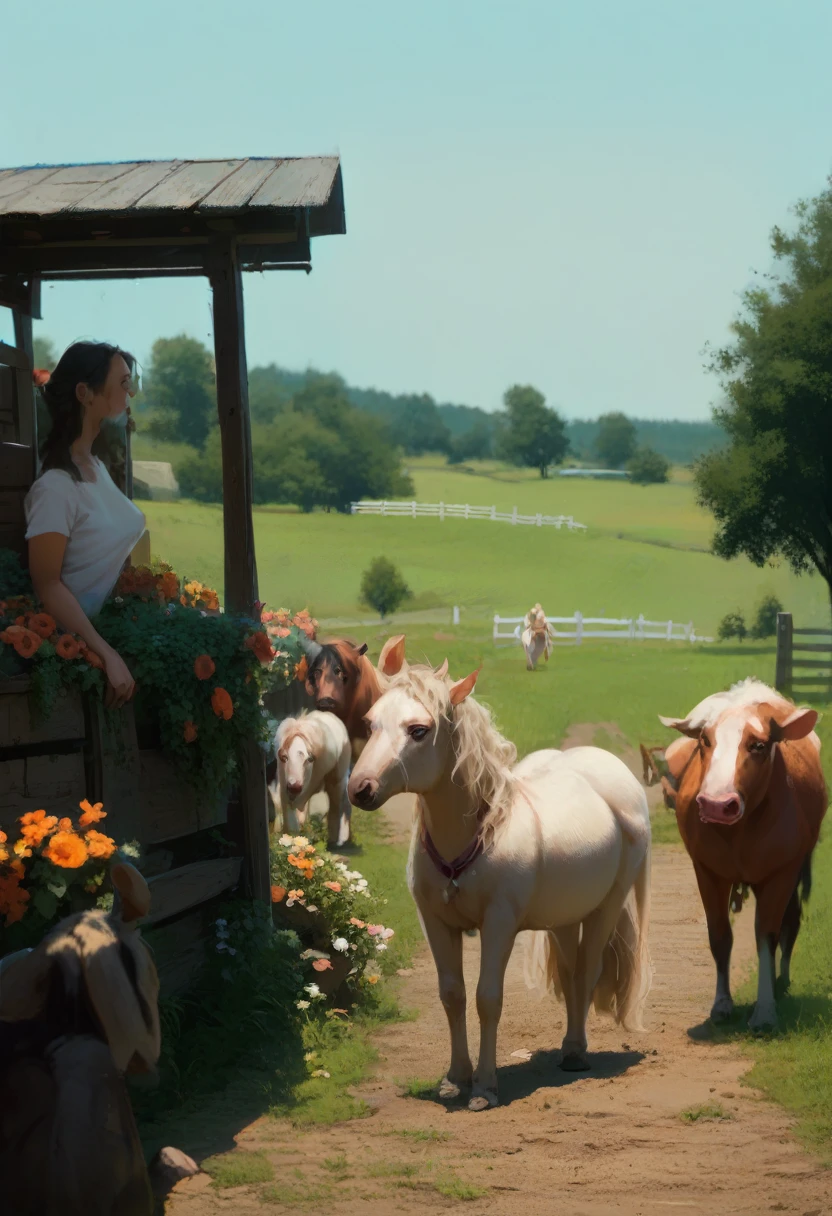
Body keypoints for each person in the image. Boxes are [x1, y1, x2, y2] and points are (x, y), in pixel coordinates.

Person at [25, 342, 145, 709]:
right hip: (77, 651)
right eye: (123, 383)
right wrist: (107, 654)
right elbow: (48, 585)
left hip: (114, 627)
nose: (131, 394)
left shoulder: (97, 469)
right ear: (84, 394)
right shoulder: (55, 488)